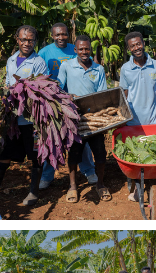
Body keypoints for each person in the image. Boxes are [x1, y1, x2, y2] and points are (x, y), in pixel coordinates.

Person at [0, 26, 48, 206]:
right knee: (5, 154)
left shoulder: (38, 62)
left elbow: (41, 89)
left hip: (32, 119)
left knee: (35, 156)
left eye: (30, 40)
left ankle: (33, 193)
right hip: (13, 118)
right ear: (17, 39)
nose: (26, 43)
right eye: (23, 39)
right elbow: (9, 85)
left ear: (35, 42)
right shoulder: (11, 60)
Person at [39, 22, 97, 190]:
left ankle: (89, 170)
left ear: (68, 35)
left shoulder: (76, 48)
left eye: (64, 34)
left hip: (76, 101)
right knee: (53, 139)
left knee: (81, 136)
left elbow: (88, 63)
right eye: (57, 35)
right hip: (54, 101)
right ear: (52, 35)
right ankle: (47, 176)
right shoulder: (44, 52)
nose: (61, 37)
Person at [56, 35, 111, 203]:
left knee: (100, 153)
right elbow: (59, 88)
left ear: (90, 49)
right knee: (74, 154)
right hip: (75, 119)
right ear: (75, 50)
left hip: (94, 118)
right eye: (81, 49)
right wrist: (69, 96)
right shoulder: (67, 66)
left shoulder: (98, 69)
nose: (84, 52)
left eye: (87, 49)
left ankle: (100, 184)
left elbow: (102, 94)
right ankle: (73, 187)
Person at [120, 32, 156, 203]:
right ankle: (137, 190)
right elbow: (124, 95)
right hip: (134, 120)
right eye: (132, 46)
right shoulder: (125, 69)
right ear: (129, 48)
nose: (136, 48)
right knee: (135, 158)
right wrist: (122, 118)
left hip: (153, 119)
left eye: (138, 44)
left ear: (143, 43)